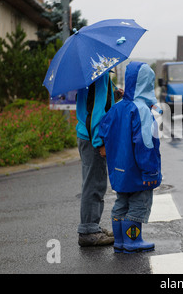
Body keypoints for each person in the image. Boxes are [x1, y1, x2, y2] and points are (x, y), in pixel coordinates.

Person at [99, 62, 162, 254]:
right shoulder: (142, 110)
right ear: (146, 84)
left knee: (121, 202)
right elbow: (146, 144)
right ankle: (133, 241)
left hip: (119, 169)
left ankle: (119, 241)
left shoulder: (117, 108)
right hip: (138, 170)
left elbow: (104, 130)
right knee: (138, 204)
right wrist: (150, 170)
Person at [76, 72, 118, 247]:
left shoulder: (89, 74)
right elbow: (96, 111)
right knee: (94, 183)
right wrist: (100, 142)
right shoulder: (98, 75)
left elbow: (92, 104)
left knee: (94, 181)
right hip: (93, 137)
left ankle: (92, 227)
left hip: (86, 135)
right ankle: (89, 231)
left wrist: (114, 95)